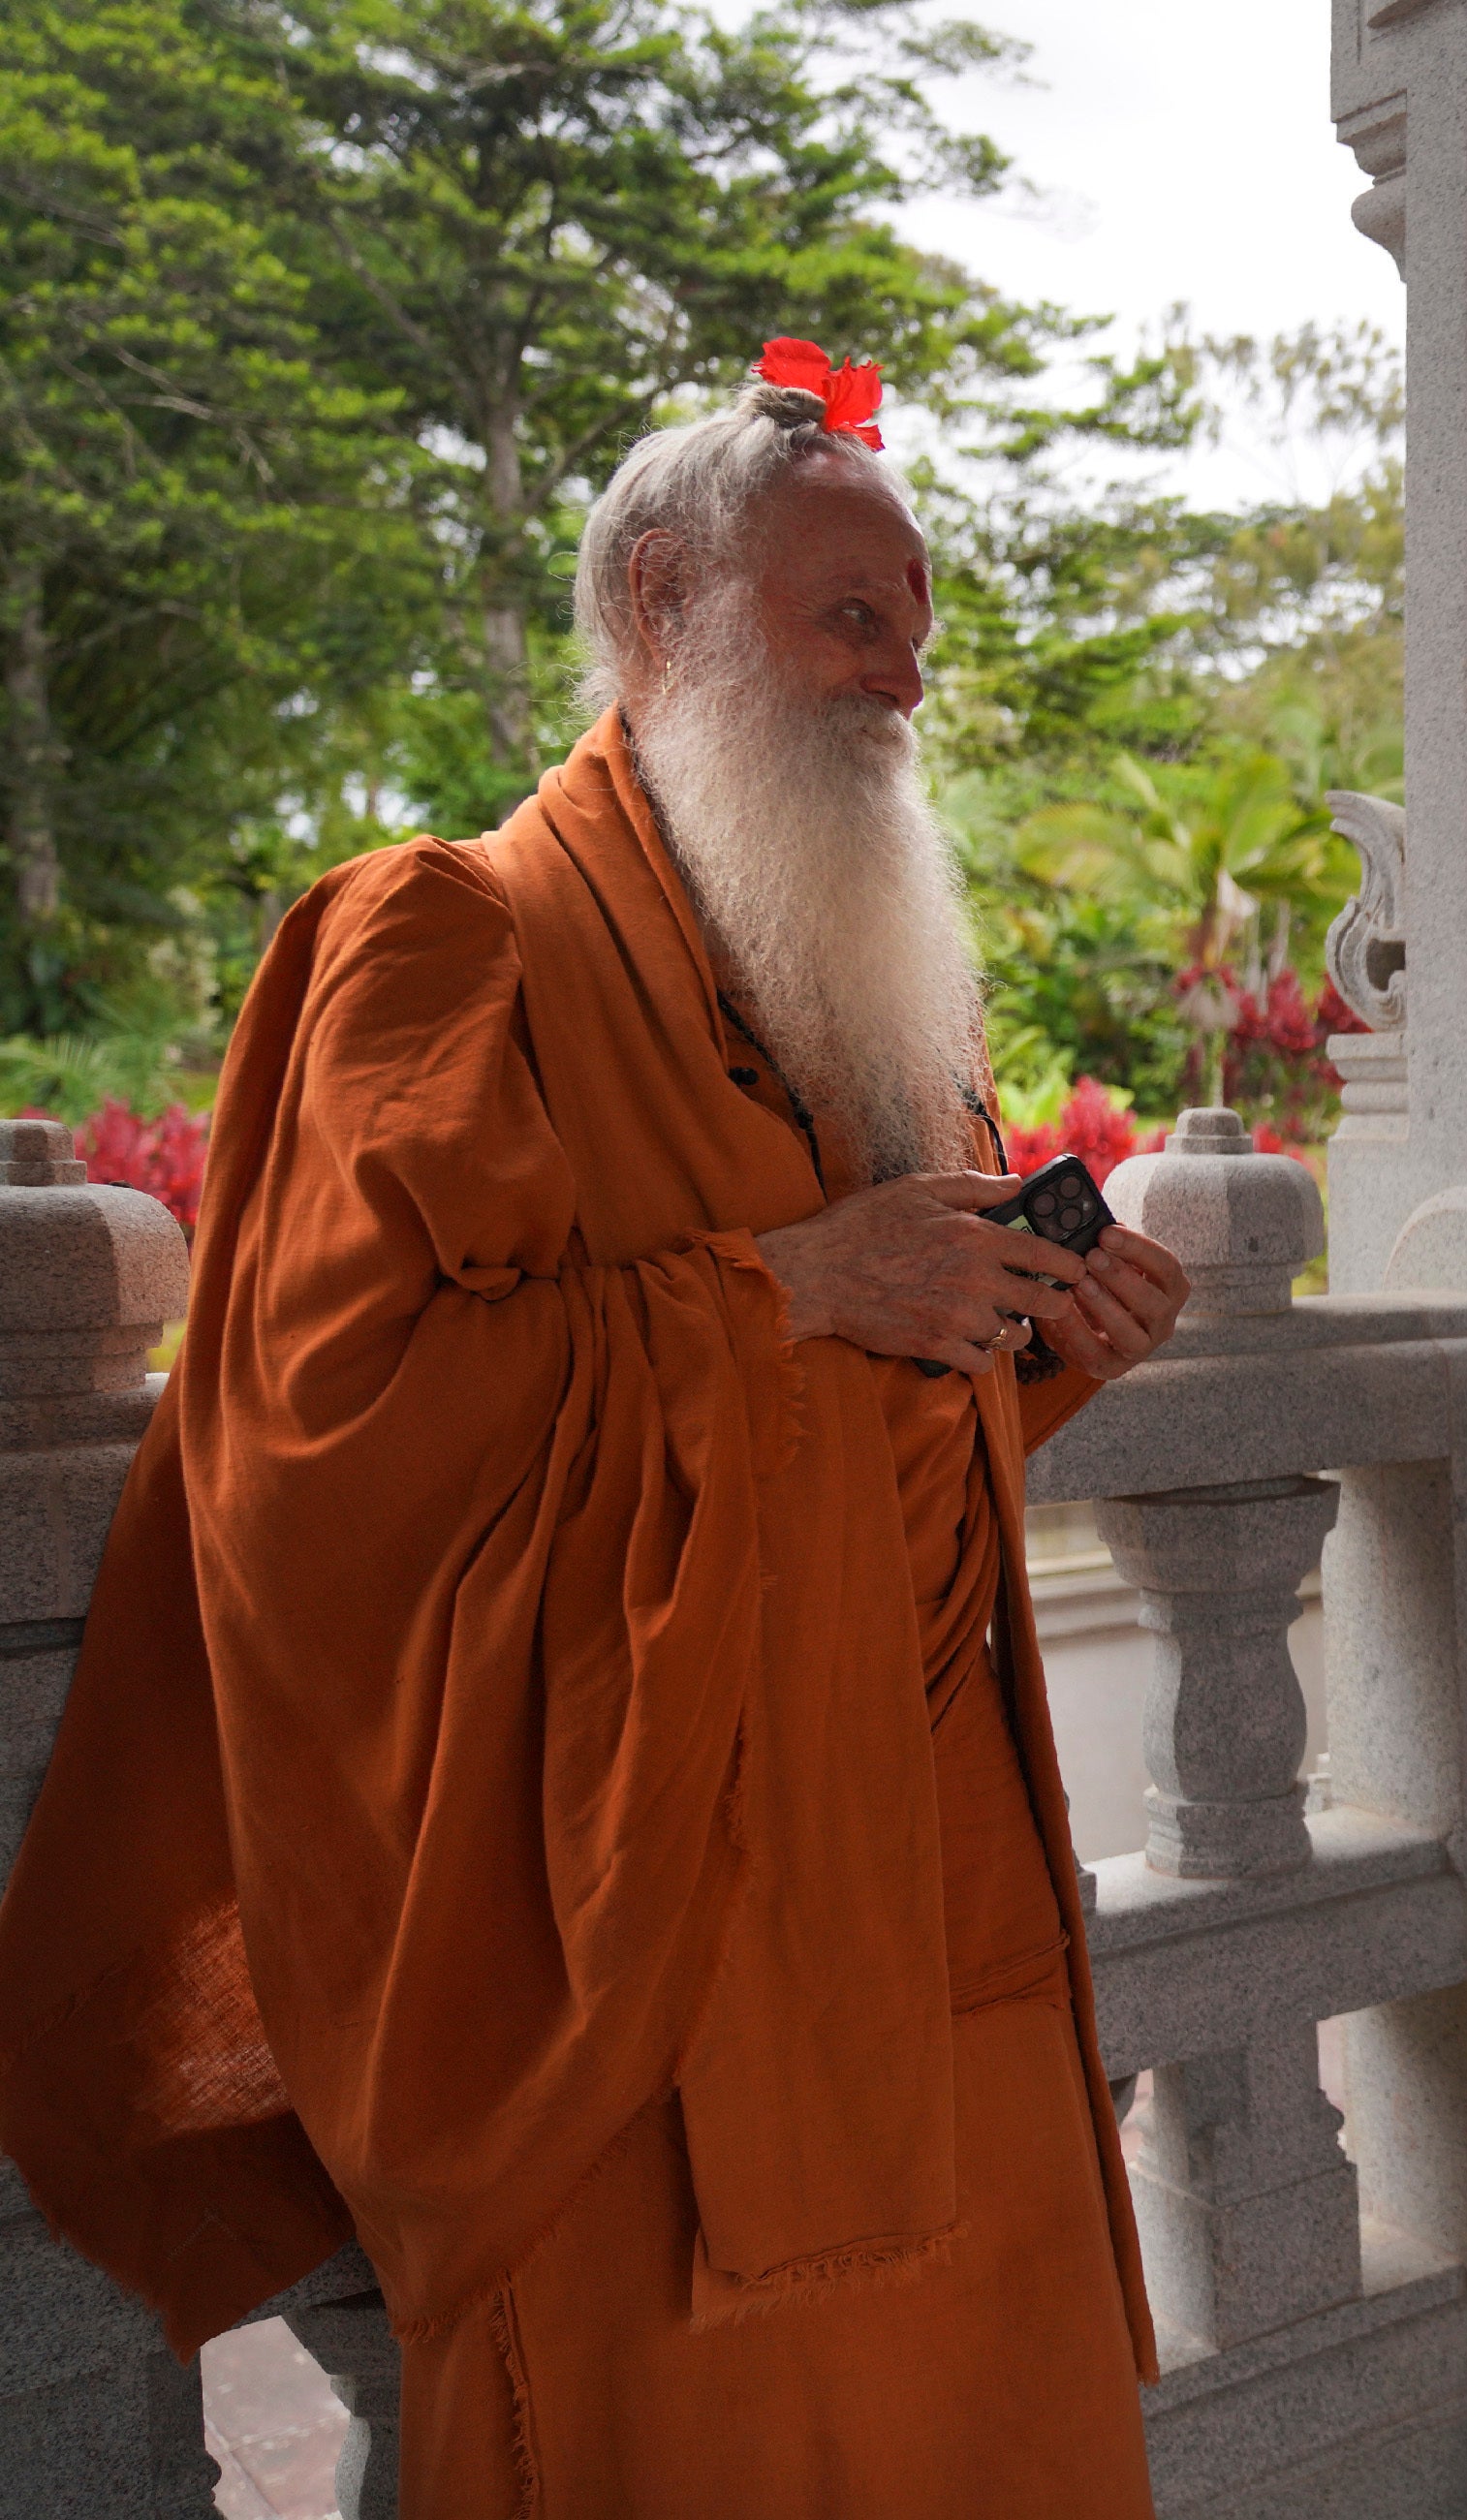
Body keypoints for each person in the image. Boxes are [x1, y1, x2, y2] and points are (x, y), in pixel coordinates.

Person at [0, 362, 1194, 2515]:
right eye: (853, 617)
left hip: (948, 1892)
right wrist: (783, 1284)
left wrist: (1046, 1336)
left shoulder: (862, 984)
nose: (906, 675)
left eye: (917, 624)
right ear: (661, 604)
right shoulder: (445, 940)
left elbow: (879, 1423)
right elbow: (316, 1429)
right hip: (642, 1938)